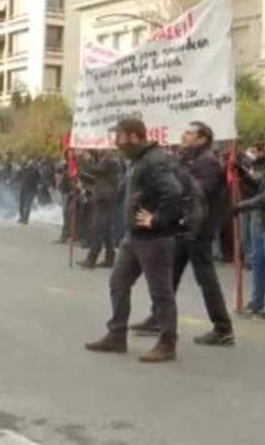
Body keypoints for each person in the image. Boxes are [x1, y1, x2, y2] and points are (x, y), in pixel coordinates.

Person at [85, 118, 183, 363]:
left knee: (160, 292)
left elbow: (173, 193)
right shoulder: (136, 160)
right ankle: (116, 334)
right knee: (118, 282)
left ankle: (167, 343)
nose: (115, 140)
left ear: (134, 136)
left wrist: (157, 219)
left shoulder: (155, 160)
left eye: (118, 135)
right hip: (134, 236)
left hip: (155, 238)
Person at [129, 122, 235, 344]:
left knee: (206, 280)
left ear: (202, 139)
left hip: (199, 229)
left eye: (189, 133)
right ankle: (158, 318)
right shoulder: (188, 160)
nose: (184, 136)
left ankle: (223, 328)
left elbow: (195, 193)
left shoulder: (208, 163)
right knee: (168, 277)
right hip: (184, 228)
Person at [234, 133, 265, 318]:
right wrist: (241, 172)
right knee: (259, 261)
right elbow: (258, 186)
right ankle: (257, 302)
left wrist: (241, 206)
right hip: (262, 221)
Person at [77, 151, 120, 268]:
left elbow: (96, 171)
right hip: (104, 197)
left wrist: (82, 161)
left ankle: (91, 259)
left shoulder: (109, 162)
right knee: (105, 231)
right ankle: (110, 258)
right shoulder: (107, 163)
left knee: (98, 228)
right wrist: (81, 174)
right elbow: (97, 177)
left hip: (104, 198)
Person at [17, 158, 41, 225]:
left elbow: (39, 179)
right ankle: (21, 217)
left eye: (32, 164)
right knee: (22, 204)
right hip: (23, 189)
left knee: (28, 205)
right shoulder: (23, 170)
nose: (30, 165)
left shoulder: (35, 172)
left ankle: (25, 219)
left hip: (31, 190)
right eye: (29, 163)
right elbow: (18, 177)